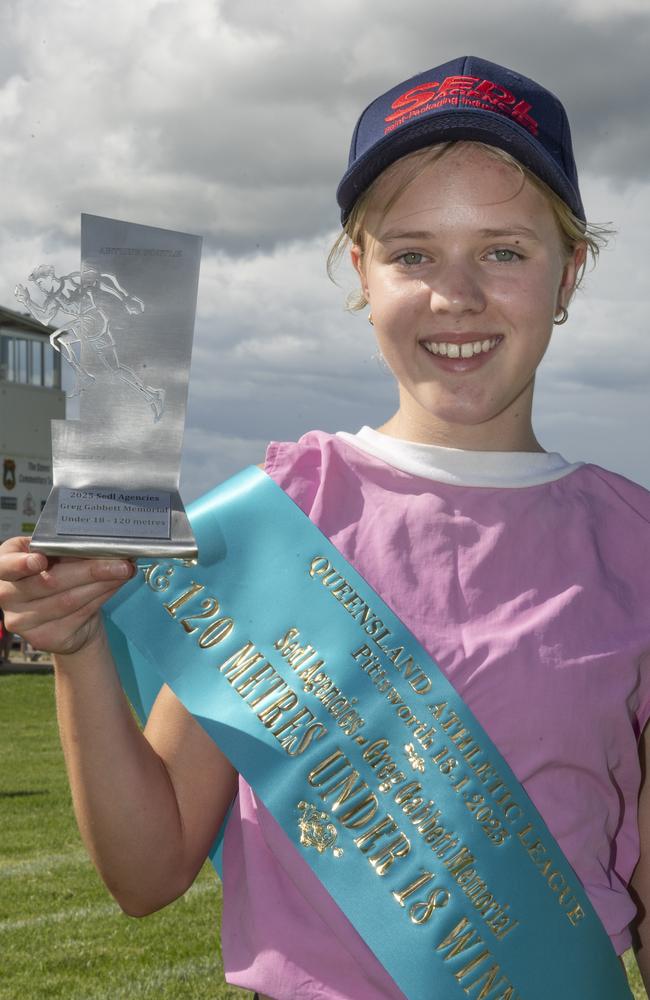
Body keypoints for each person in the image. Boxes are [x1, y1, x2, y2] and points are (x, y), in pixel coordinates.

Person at [0, 55, 648, 999]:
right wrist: (78, 643)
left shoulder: (633, 544)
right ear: (360, 268)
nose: (454, 296)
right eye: (412, 252)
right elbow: (147, 874)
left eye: (504, 251)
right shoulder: (272, 522)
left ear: (570, 270)